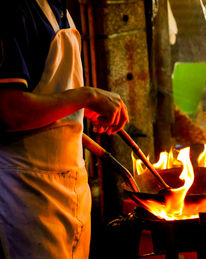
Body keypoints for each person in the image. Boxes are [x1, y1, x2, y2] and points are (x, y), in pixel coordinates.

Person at [0, 0, 129, 258]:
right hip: (29, 191)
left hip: (73, 185)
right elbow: (10, 111)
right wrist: (86, 97)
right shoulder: (14, 10)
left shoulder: (61, 11)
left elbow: (44, 93)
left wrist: (77, 111)